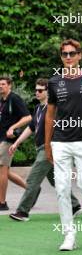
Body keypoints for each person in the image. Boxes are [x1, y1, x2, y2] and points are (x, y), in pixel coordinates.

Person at [45, 39, 82, 251]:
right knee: (62, 189)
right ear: (61, 57)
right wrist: (47, 144)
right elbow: (50, 114)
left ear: (80, 55)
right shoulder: (54, 82)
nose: (69, 57)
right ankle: (69, 235)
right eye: (65, 54)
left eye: (72, 53)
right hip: (60, 142)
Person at [8, 78, 82, 221]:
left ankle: (22, 212)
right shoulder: (38, 108)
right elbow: (31, 128)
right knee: (56, 181)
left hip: (50, 148)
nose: (37, 92)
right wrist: (16, 143)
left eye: (40, 90)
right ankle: (75, 206)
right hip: (41, 148)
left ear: (48, 92)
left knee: (32, 179)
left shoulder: (54, 108)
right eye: (36, 90)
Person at [0, 75, 32, 211]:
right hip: (1, 139)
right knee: (5, 172)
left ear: (9, 85)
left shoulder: (14, 99)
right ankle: (32, 190)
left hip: (8, 141)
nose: (0, 86)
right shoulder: (2, 101)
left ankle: (2, 203)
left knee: (1, 169)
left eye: (3, 84)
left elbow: (28, 117)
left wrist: (13, 127)